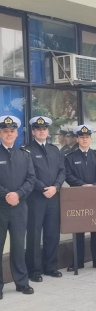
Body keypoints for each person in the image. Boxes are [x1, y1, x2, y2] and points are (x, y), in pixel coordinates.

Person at [25, 116, 66, 283]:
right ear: (33, 131)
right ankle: (34, 271)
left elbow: (62, 171)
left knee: (52, 233)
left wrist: (55, 187)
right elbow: (29, 175)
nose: (42, 131)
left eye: (44, 129)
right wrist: (44, 188)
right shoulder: (26, 150)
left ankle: (50, 267)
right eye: (38, 129)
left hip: (53, 197)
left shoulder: (54, 150)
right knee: (34, 235)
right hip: (36, 198)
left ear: (48, 131)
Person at [65, 125, 96, 272]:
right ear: (77, 139)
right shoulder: (70, 157)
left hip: (95, 197)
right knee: (78, 230)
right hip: (78, 197)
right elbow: (68, 174)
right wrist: (82, 185)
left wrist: (95, 185)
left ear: (90, 138)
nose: (84, 139)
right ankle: (78, 262)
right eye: (81, 137)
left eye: (87, 137)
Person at [0, 116, 36, 299]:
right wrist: (7, 194)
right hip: (1, 208)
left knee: (17, 246)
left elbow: (31, 179)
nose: (9, 134)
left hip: (20, 207)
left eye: (12, 131)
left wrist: (19, 194)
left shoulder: (24, 155)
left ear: (16, 134)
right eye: (5, 131)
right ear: (0, 133)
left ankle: (22, 283)